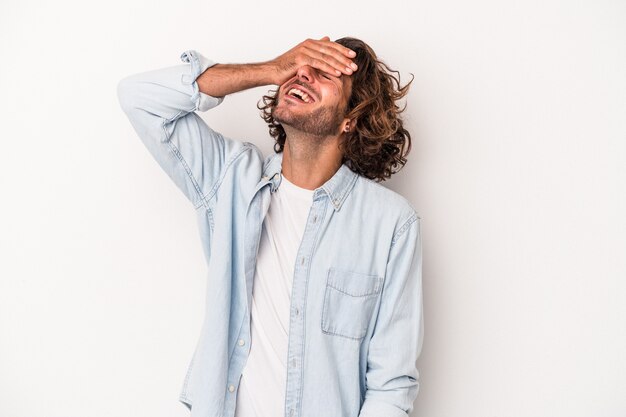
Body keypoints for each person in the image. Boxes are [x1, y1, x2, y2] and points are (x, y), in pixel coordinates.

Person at [117, 36, 423, 417]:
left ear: (351, 119)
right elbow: (137, 97)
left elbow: (390, 387)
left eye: (325, 74)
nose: (303, 75)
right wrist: (268, 69)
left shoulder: (391, 224)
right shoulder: (230, 180)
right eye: (299, 66)